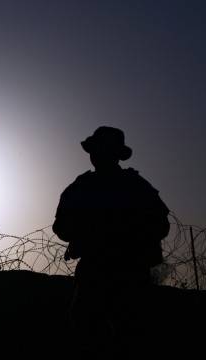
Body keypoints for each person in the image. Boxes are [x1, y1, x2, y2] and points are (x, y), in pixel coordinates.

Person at [52, 126, 170, 359]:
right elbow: (62, 227)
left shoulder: (91, 187)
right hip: (112, 273)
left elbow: (160, 225)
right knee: (101, 334)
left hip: (122, 273)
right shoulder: (131, 186)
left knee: (115, 336)